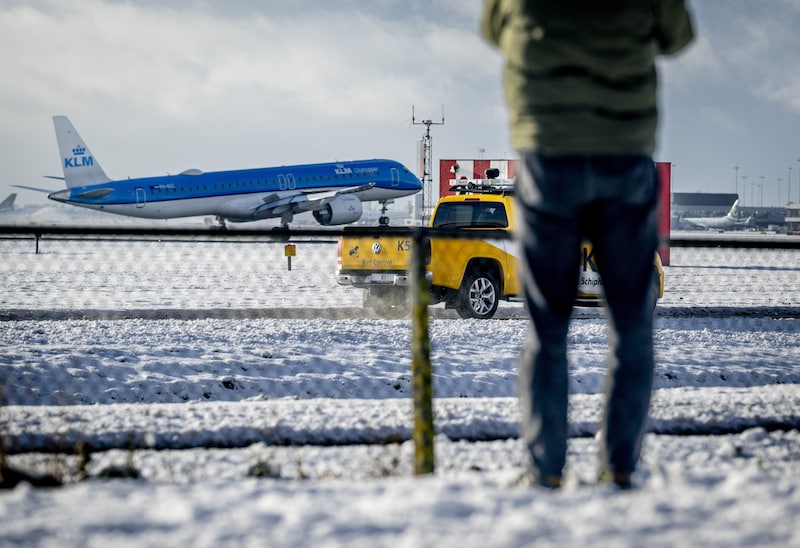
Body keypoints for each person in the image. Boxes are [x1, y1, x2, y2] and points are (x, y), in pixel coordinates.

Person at [481, 0, 693, 489]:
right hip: (624, 154)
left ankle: (545, 471)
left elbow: (493, 29)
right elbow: (678, 36)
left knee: (547, 328)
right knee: (632, 326)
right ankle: (620, 466)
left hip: (548, 153)